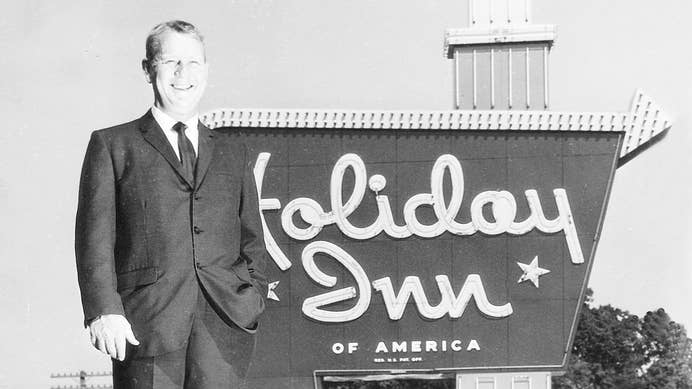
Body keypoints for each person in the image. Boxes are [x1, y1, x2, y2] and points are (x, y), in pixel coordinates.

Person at [75, 20, 268, 389]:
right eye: (170, 62)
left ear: (206, 70)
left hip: (225, 326)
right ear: (148, 69)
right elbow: (94, 242)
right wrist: (104, 311)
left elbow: (253, 240)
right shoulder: (113, 145)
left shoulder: (233, 153)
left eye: (193, 62)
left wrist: (251, 297)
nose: (183, 73)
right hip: (145, 327)